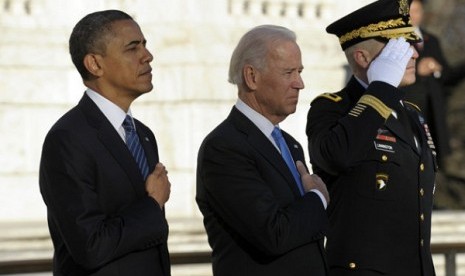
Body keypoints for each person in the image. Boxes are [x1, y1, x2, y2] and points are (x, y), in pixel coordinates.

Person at [306, 0, 436, 275]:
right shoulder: (332, 108)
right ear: (363, 58)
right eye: (398, 49)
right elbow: (337, 156)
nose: (413, 55)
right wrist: (378, 90)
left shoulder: (412, 114)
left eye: (411, 45)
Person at [39, 10, 171, 275]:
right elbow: (90, 246)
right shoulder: (68, 139)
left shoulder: (143, 134)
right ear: (95, 64)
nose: (147, 56)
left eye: (145, 44)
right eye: (132, 48)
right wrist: (152, 204)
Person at [196, 25, 330, 276]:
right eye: (288, 72)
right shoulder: (225, 147)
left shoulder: (290, 144)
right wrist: (318, 198)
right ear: (252, 77)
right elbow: (273, 234)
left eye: (299, 72)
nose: (299, 83)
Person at [403, 0, 465, 169]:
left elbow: (447, 76)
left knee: (432, 163)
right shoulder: (396, 41)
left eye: (417, 11)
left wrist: (440, 69)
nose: (414, 16)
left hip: (434, 111)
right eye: (411, 11)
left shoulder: (432, 40)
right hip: (411, 108)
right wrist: (418, 70)